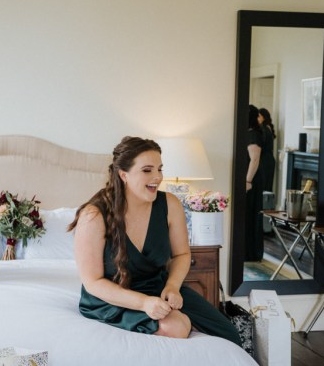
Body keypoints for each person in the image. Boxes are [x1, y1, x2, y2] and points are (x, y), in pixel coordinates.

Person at [70, 136, 241, 346]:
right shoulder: (93, 216)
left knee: (229, 335)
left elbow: (182, 254)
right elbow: (93, 282)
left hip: (158, 288)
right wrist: (144, 303)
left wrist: (172, 286)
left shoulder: (170, 204)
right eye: (147, 170)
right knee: (175, 327)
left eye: (160, 169)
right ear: (123, 174)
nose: (157, 177)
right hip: (112, 298)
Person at [246, 105, 264, 262]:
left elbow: (255, 159)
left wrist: (248, 180)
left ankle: (251, 253)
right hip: (249, 179)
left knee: (250, 214)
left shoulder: (252, 135)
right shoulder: (250, 133)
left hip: (251, 181)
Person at [258, 108, 276, 192]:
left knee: (263, 186)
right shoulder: (268, 128)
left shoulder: (263, 129)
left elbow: (261, 145)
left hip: (264, 160)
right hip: (269, 159)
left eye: (259, 116)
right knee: (267, 186)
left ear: (264, 117)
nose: (257, 118)